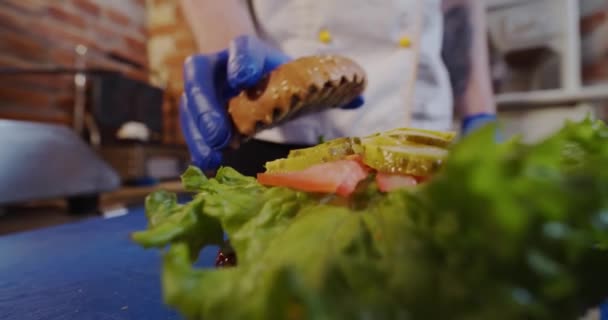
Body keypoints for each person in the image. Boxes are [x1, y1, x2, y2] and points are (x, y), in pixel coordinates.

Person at [178, 0, 497, 176]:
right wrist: (233, 51)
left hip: (422, 135)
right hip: (282, 145)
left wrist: (480, 114)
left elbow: (461, 6)